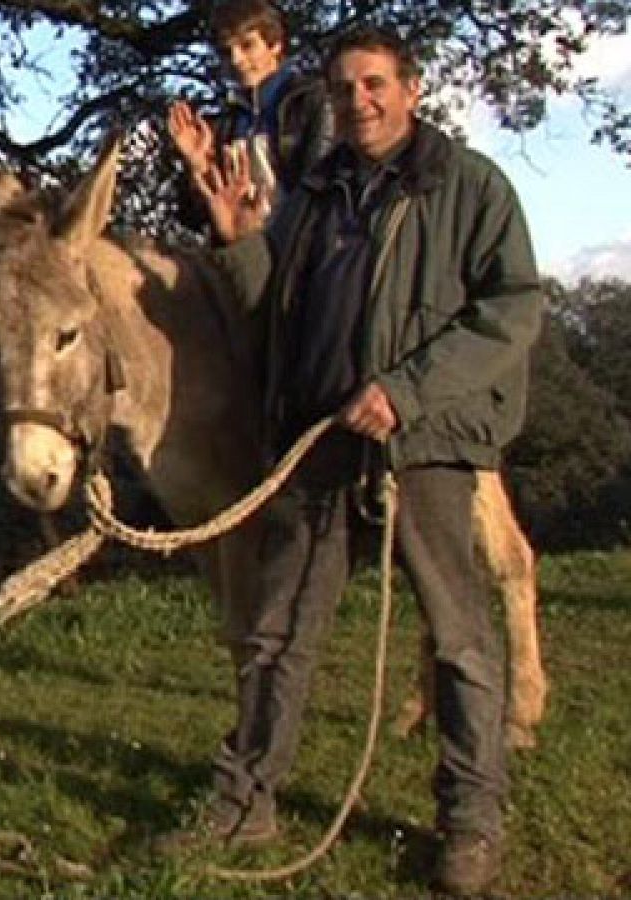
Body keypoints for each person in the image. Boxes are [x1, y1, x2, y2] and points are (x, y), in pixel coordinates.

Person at [179, 26, 542, 897]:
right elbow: (275, 317)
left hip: (424, 446)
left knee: (458, 640)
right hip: (318, 443)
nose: (359, 101)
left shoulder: (469, 187)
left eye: (375, 84)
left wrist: (407, 391)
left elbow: (511, 311)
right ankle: (246, 800)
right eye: (344, 89)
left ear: (411, 89)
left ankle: (471, 822)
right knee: (276, 634)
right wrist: (240, 242)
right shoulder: (311, 196)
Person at [167, 0, 332, 242]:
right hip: (242, 252)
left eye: (247, 46)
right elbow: (194, 219)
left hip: (301, 249)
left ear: (275, 45)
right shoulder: (224, 125)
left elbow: (323, 189)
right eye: (226, 52)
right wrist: (199, 166)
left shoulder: (312, 101)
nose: (236, 60)